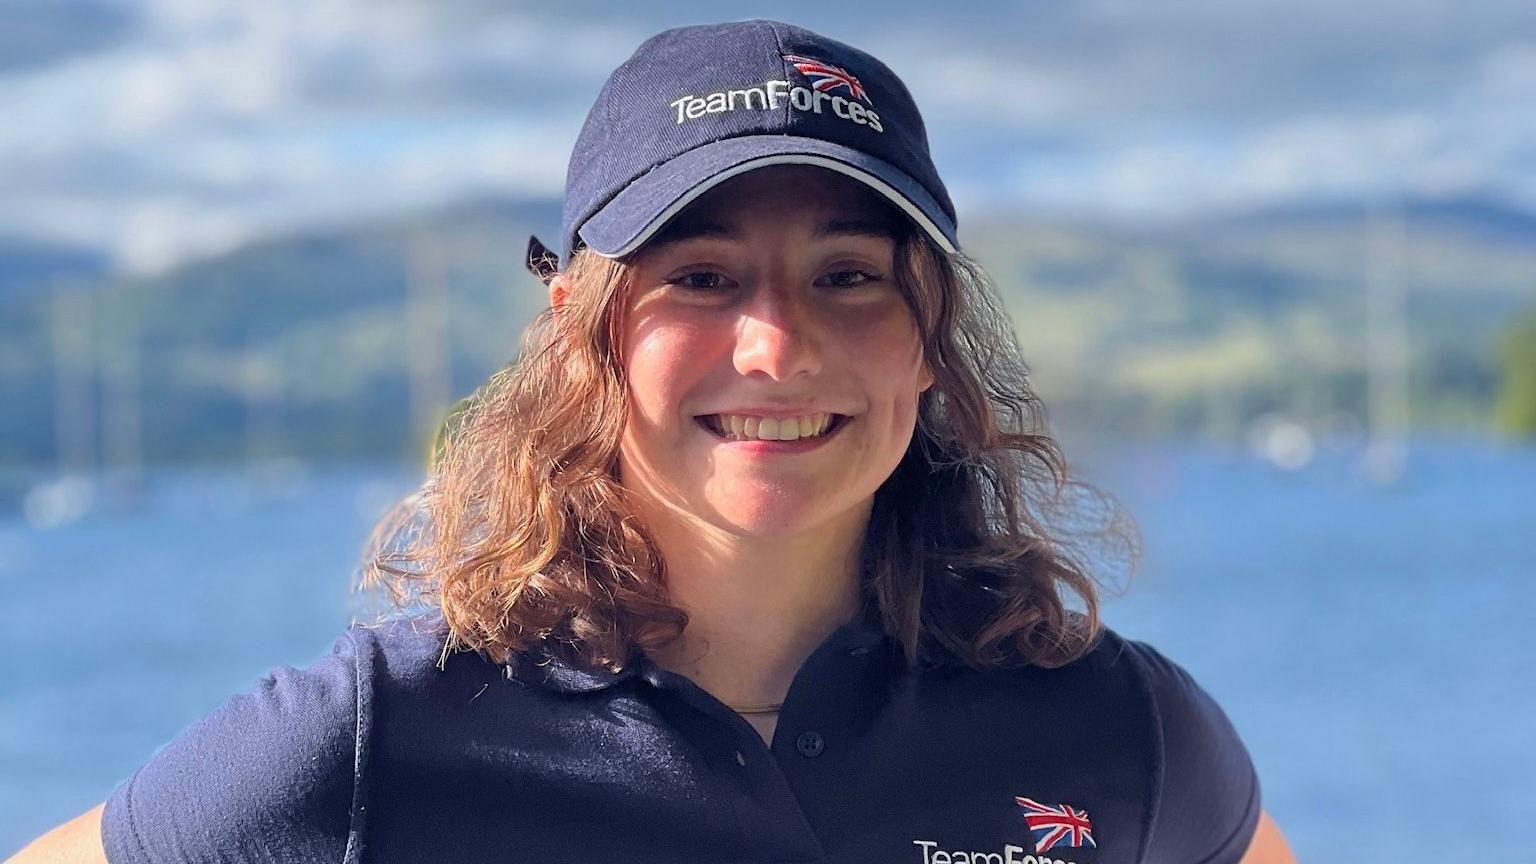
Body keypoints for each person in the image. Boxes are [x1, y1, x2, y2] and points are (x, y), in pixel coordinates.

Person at [10, 19, 1295, 864]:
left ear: (927, 340)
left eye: (848, 275)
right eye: (699, 275)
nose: (775, 346)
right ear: (584, 328)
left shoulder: (1120, 734)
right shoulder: (372, 743)